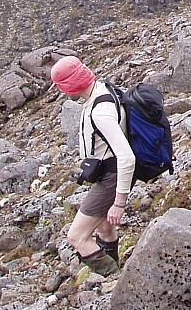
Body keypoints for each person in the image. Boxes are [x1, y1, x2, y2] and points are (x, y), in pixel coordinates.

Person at [51, 55, 135, 277]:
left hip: (110, 178)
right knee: (105, 228)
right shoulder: (103, 90)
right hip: (107, 174)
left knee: (77, 237)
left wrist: (119, 203)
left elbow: (126, 157)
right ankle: (115, 271)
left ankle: (114, 280)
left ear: (69, 85)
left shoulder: (100, 111)